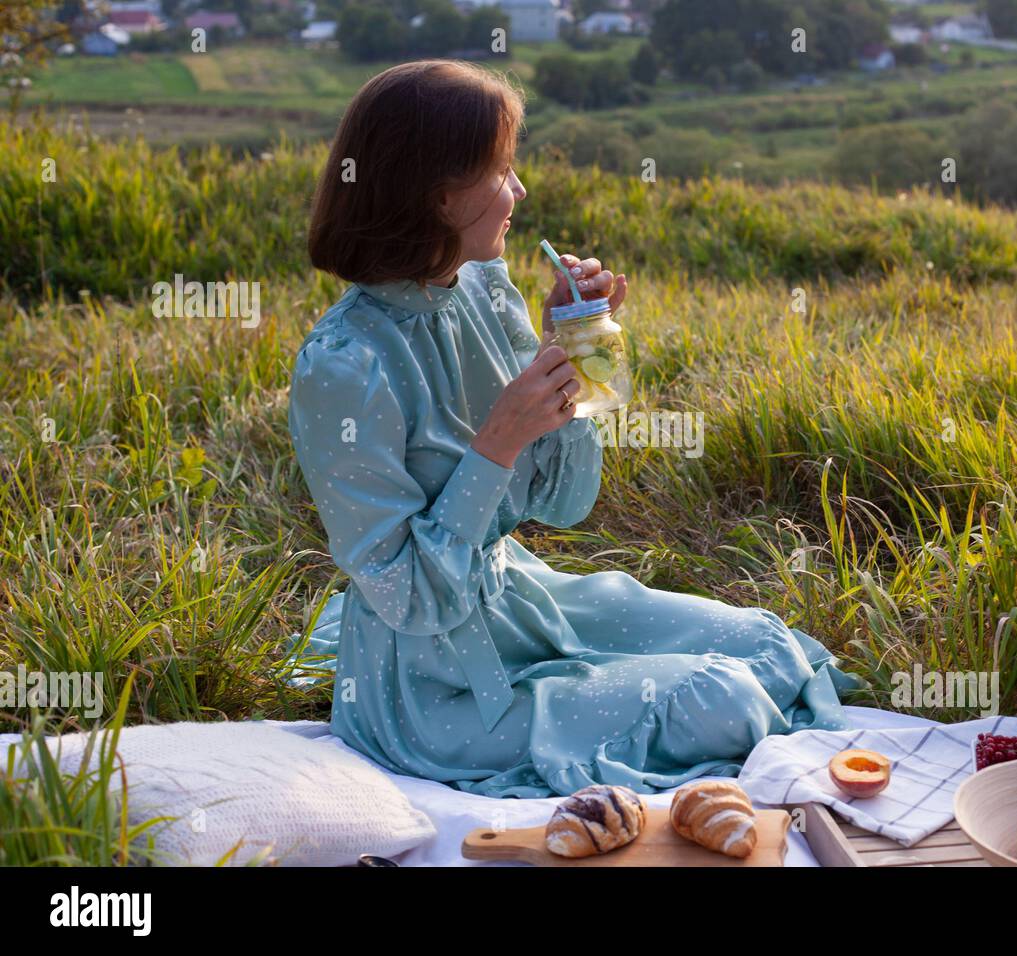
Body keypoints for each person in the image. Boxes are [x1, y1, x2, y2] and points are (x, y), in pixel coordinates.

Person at [287, 59, 862, 798]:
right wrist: (497, 441)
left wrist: (576, 344)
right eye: (501, 170)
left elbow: (565, 504)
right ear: (438, 193)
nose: (519, 190)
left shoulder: (485, 290)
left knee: (763, 642)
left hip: (520, 599)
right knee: (718, 699)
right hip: (435, 684)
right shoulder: (345, 366)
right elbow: (412, 600)